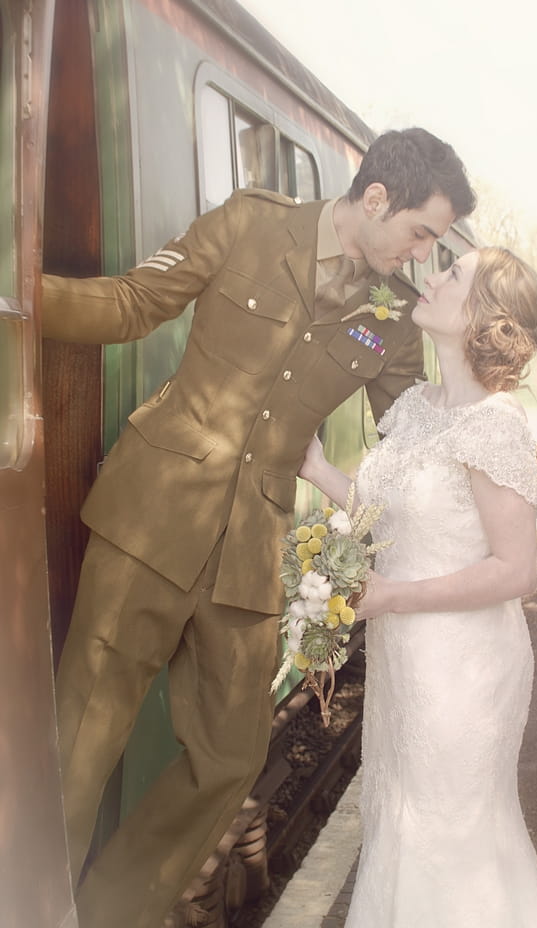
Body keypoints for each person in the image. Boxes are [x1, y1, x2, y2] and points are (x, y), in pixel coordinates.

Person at [41, 128, 476, 928]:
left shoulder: (395, 321)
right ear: (376, 198)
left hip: (250, 551)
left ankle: (104, 915)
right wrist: (23, 297)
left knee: (231, 756)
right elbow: (135, 302)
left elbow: (409, 448)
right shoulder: (250, 222)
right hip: (152, 515)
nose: (421, 256)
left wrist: (481, 429)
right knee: (80, 742)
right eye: (421, 232)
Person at [299, 246, 537, 926]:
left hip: (464, 675)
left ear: (483, 317)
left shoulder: (495, 425)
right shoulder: (419, 406)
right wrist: (317, 469)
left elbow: (518, 571)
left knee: (447, 843)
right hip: (407, 664)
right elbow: (383, 509)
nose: (432, 276)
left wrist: (390, 597)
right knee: (400, 826)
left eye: (453, 275)